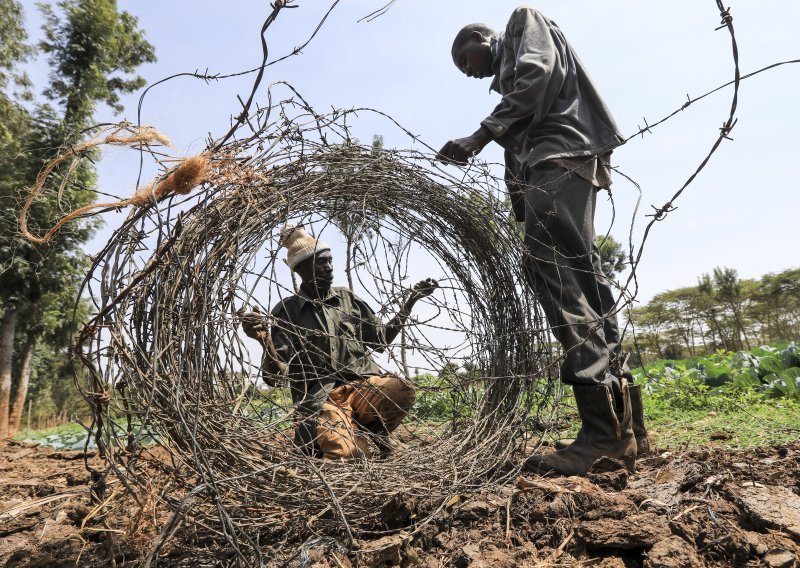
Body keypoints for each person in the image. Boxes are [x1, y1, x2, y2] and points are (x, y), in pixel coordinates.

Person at [439, 7, 649, 476]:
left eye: (465, 61)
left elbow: (535, 76)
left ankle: (603, 435)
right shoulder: (510, 79)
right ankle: (629, 428)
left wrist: (479, 136)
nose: (469, 73)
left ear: (479, 37)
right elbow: (524, 121)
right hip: (563, 162)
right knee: (587, 286)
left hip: (560, 159)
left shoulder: (522, 22)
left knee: (557, 280)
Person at [239, 224, 438, 460]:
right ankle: (341, 434)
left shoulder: (347, 300)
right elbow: (275, 377)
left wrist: (410, 302)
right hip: (324, 399)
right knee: (349, 456)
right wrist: (265, 341)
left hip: (363, 390)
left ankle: (376, 433)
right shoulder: (287, 311)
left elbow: (380, 341)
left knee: (400, 389)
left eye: (330, 261)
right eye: (321, 263)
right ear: (301, 268)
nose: (329, 268)